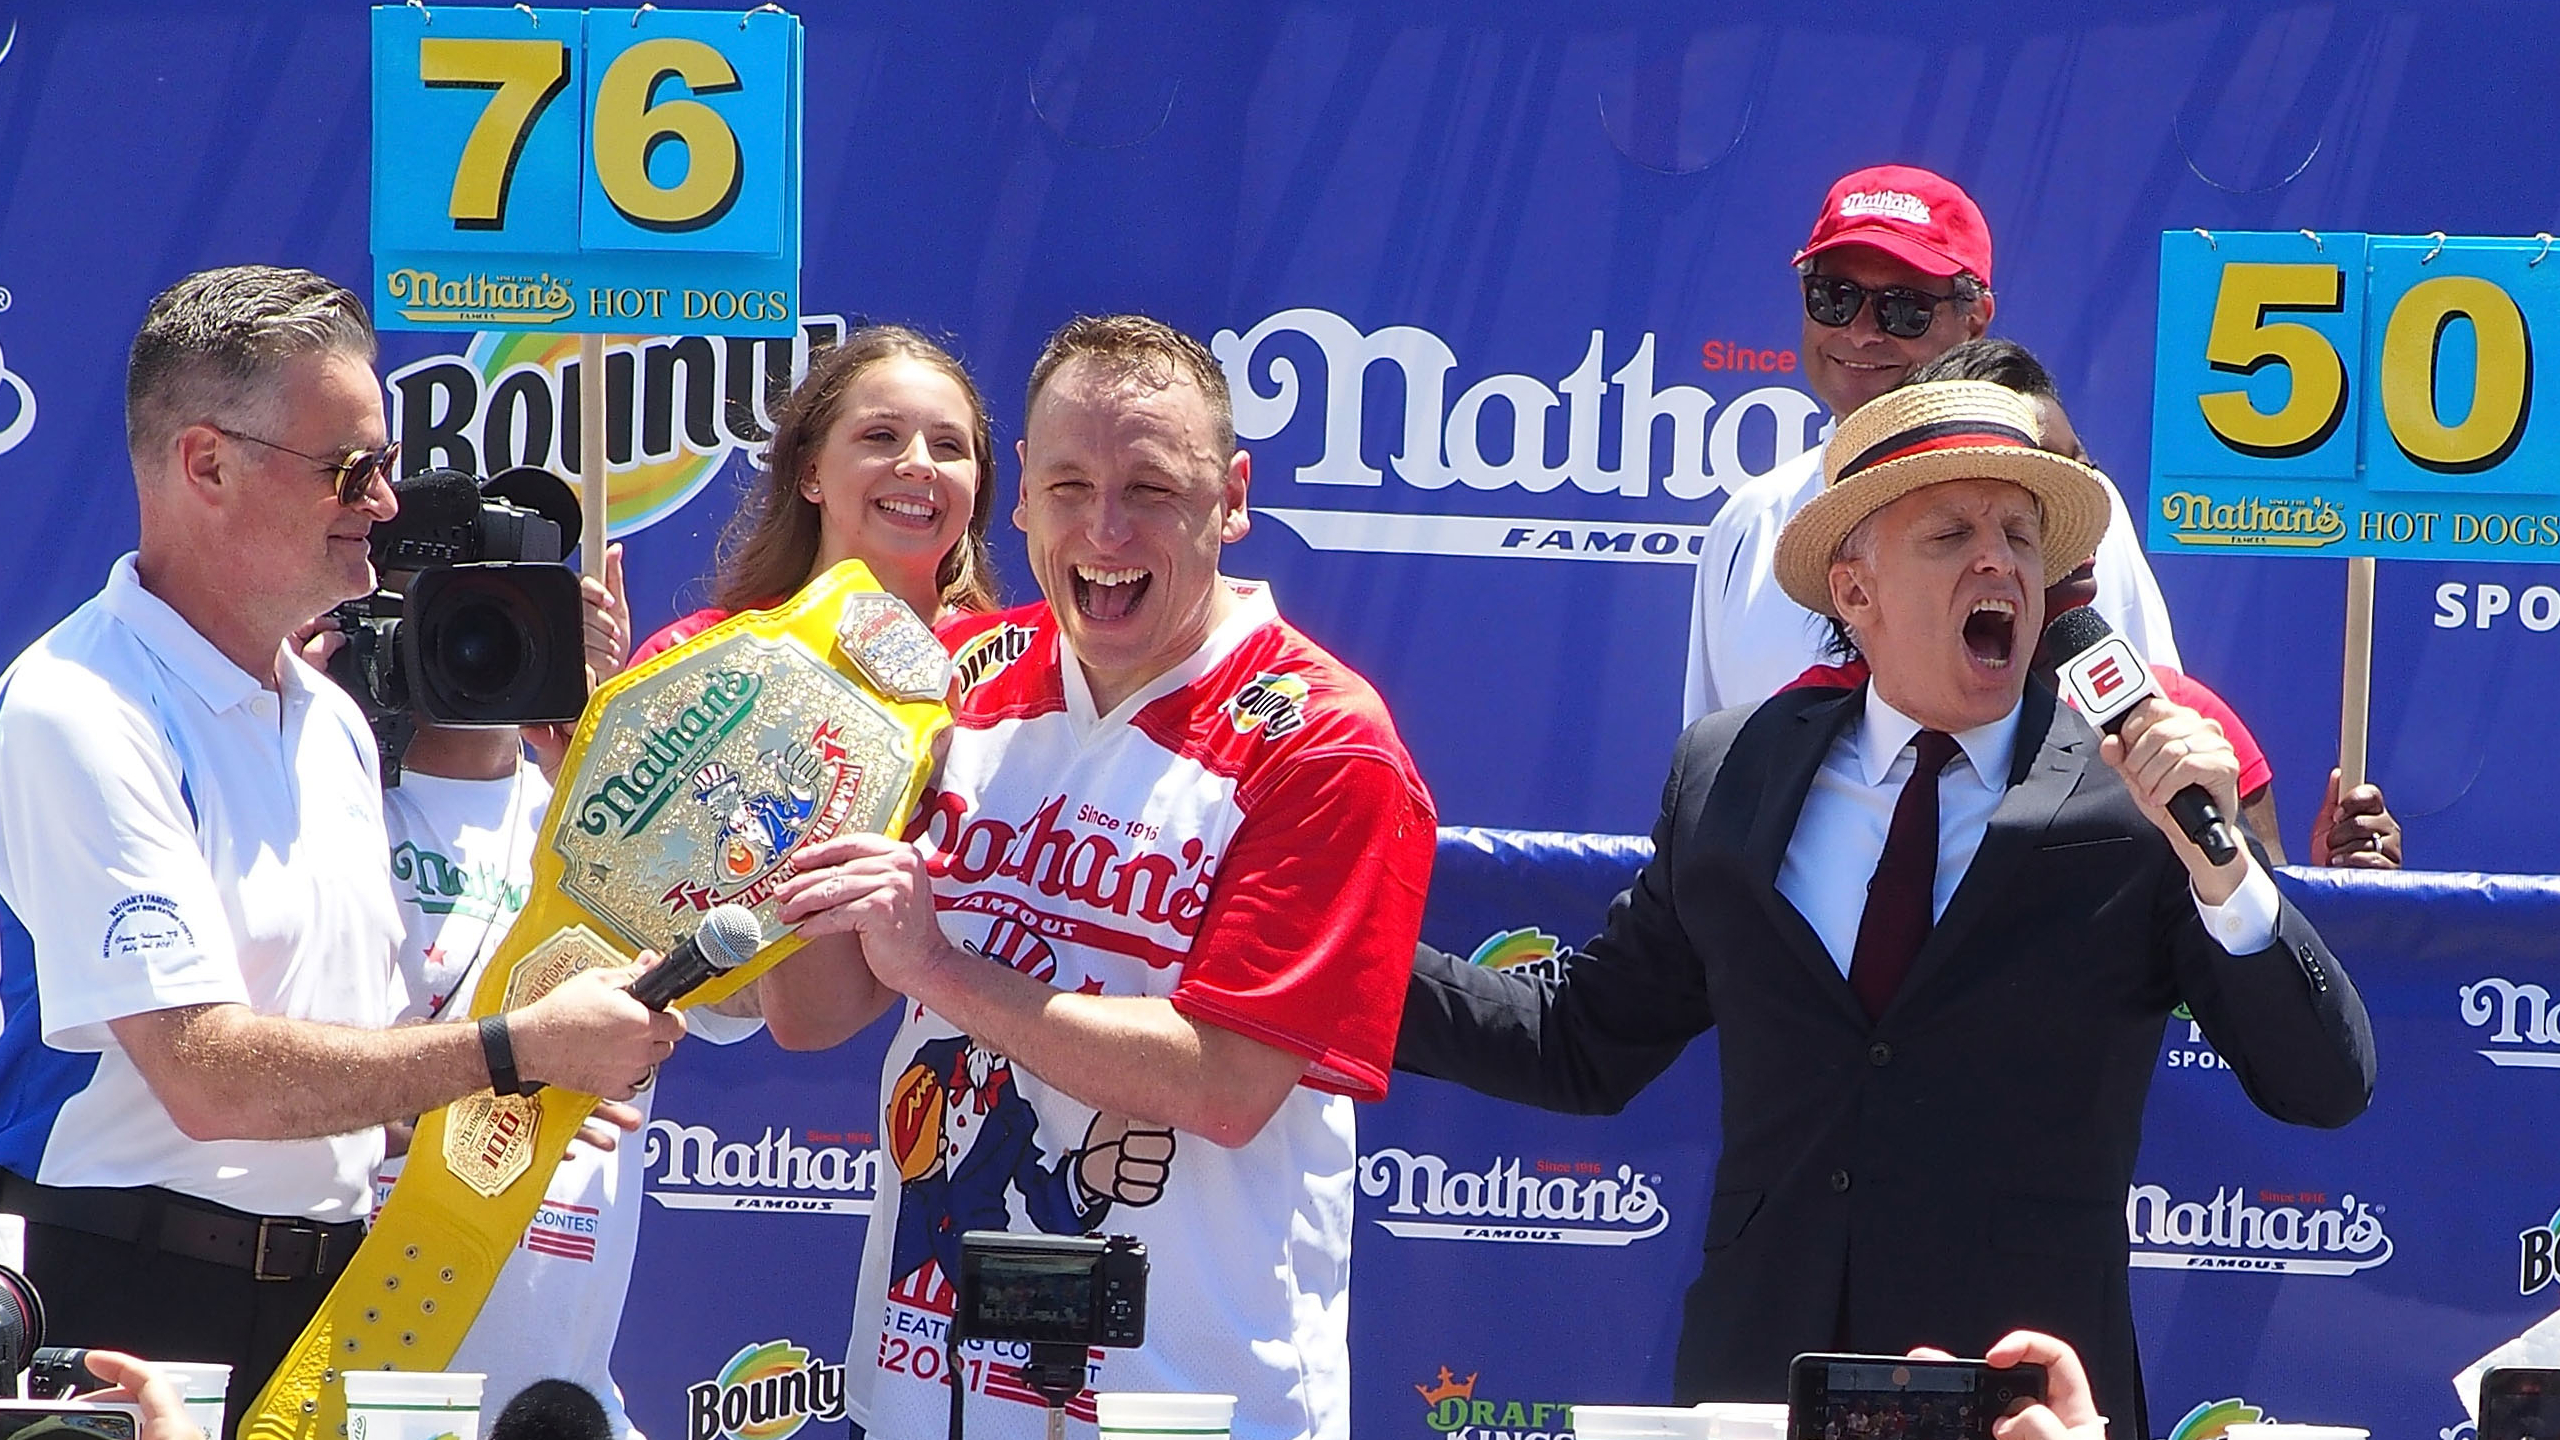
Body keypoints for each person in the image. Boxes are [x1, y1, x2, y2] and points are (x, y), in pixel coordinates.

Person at [1398, 379, 2375, 1439]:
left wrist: (2221, 871)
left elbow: (2323, 1084)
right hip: (1759, 1384)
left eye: (2019, 533)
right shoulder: (1731, 771)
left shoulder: (2131, 793)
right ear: (1853, 590)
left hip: (2026, 1400)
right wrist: (1338, 962)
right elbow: (1579, 1038)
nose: (1996, 559)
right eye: (1950, 532)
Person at [0, 265, 682, 1433]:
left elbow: (370, 1065)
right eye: (349, 468)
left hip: (337, 1303)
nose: (385, 502)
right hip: (128, 1304)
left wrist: (544, 1077)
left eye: (388, 463)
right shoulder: (77, 704)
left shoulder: (325, 718)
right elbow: (205, 1073)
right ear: (205, 464)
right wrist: (514, 1050)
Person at [757, 314, 1437, 1440]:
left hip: (1180, 1404)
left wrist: (938, 963)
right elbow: (814, 1018)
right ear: (1019, 491)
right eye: (1070, 484)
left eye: (1153, 489)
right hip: (928, 1384)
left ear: (1233, 498)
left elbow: (1225, 1086)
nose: (1105, 530)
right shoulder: (955, 680)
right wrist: (806, 805)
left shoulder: (1325, 741)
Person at [363, 534, 763, 1440]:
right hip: (359, 1372)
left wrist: (626, 756)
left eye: (504, 617)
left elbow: (753, 998)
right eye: (441, 615)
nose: (472, 647)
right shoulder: (322, 801)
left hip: (562, 1404)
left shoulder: (596, 818)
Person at [1785, 338, 2405, 868]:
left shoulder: (2179, 720)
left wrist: (2333, 890)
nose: (2069, 527)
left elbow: (2254, 955)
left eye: (2081, 477)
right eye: (1957, 530)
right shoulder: (1795, 736)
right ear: (1858, 588)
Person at [1684, 164, 2178, 724]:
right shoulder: (1748, 523)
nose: (1862, 331)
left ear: (1975, 321)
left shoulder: (2065, 508)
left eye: (1903, 308)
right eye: (1834, 297)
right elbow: (1708, 777)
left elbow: (2151, 734)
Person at [634, 323, 1000, 661]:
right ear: (811, 471)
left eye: (948, 446)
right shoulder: (693, 656)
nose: (920, 464)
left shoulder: (1011, 666)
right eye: (881, 436)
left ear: (977, 481)